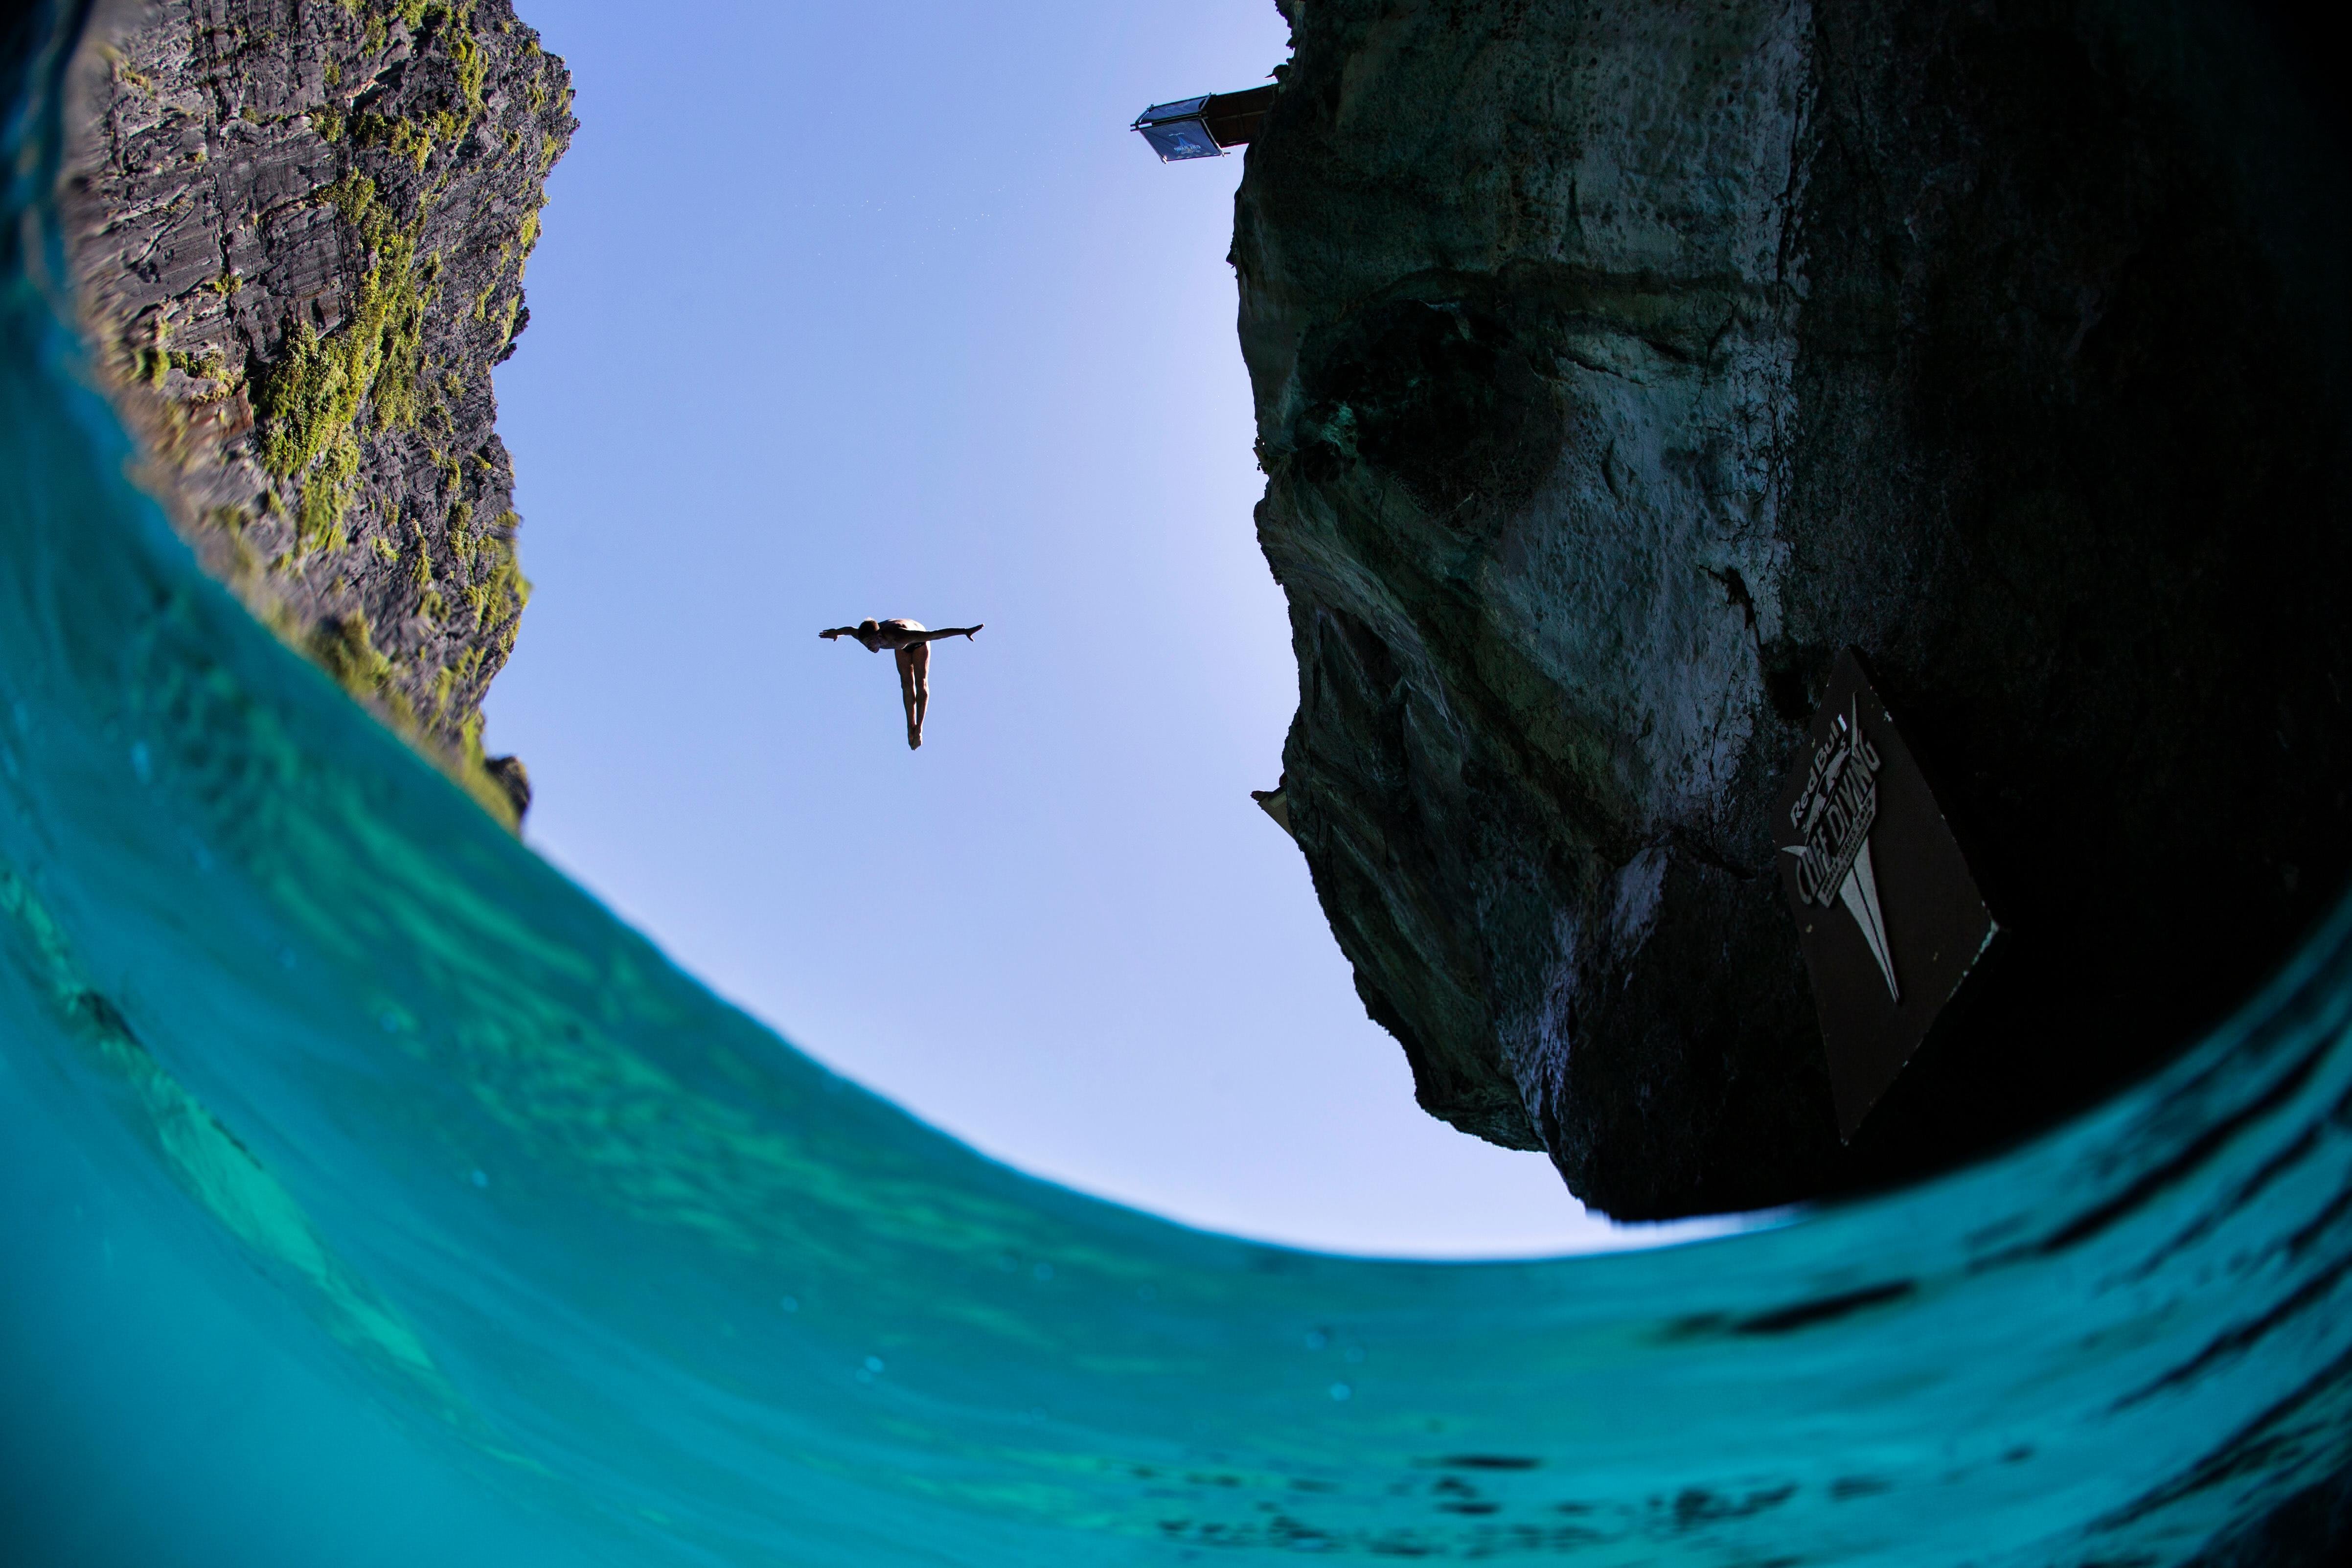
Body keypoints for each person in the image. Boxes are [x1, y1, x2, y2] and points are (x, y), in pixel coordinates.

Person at [819, 619, 983, 750]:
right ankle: (910, 728)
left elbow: (935, 635)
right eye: (866, 644)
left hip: (917, 639)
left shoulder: (898, 636)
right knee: (906, 684)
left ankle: (919, 729)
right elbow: (850, 630)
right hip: (900, 646)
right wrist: (836, 633)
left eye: (871, 643)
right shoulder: (864, 636)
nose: (869, 648)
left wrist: (965, 631)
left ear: (879, 636)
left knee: (921, 683)